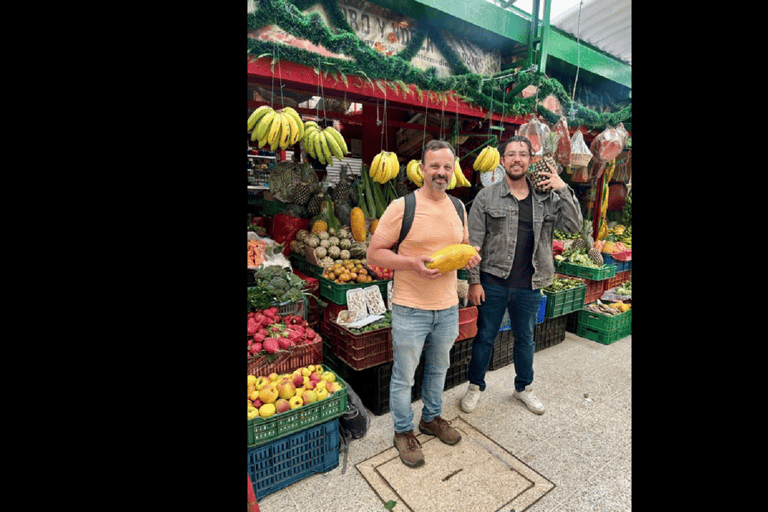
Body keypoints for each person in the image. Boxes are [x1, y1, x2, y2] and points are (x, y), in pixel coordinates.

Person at [367, 140, 481, 468]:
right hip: (409, 306)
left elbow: (462, 247)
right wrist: (411, 263)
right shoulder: (402, 207)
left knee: (439, 367)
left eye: (447, 167)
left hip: (447, 307)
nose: (441, 173)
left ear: (453, 170)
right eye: (434, 166)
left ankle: (431, 418)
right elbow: (374, 253)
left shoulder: (459, 207)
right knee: (404, 374)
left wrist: (471, 257)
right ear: (422, 169)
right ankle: (403, 431)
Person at [460, 135, 583, 415]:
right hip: (493, 282)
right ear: (502, 161)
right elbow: (473, 244)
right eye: (511, 154)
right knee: (485, 338)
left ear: (530, 160)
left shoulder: (547, 198)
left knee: (525, 338)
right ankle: (475, 386)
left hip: (530, 284)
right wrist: (474, 281)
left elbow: (575, 227)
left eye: (523, 154)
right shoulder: (486, 196)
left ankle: (523, 388)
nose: (517, 158)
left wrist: (563, 188)